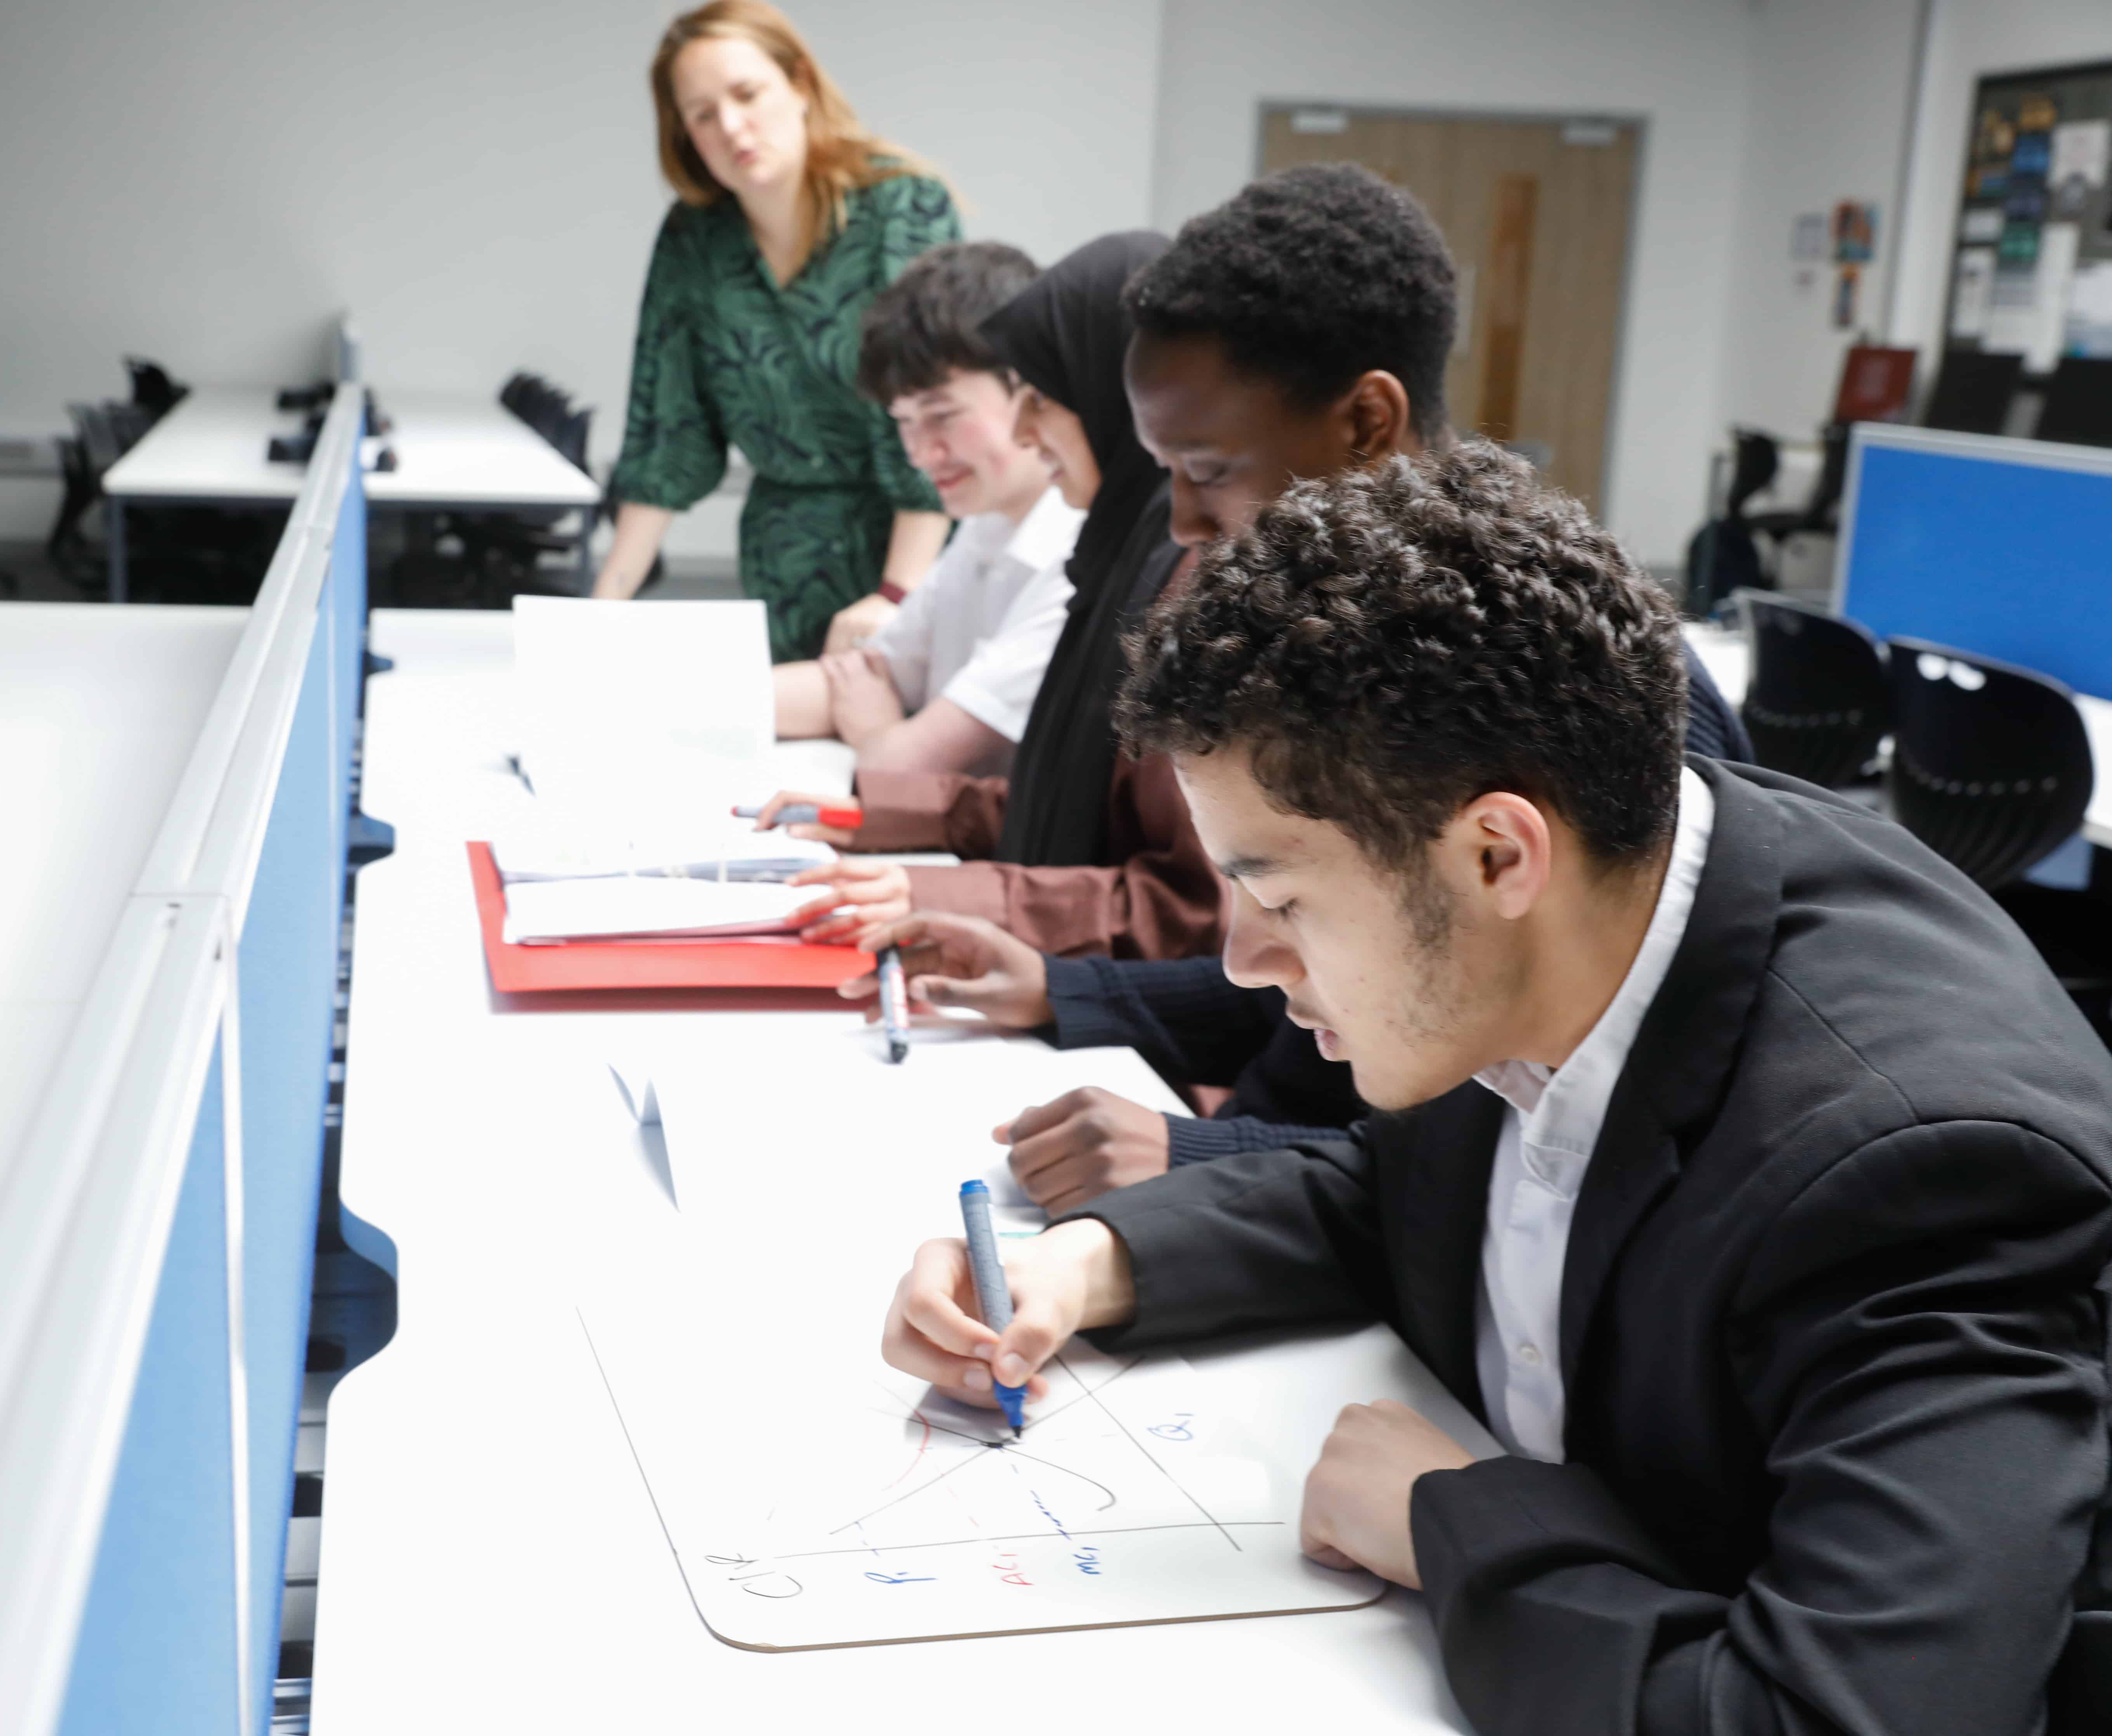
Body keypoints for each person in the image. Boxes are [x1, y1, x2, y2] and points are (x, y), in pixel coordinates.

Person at [879, 442, 2112, 1735]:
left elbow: (1848, 1716)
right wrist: (1083, 1266)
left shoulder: (1918, 1170)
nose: (1244, 960)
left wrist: (1455, 1520)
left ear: (1495, 851)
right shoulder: (1569, 919)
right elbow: (1407, 1195)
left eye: (1280, 895)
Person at [843, 164, 1755, 1211]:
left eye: (1208, 467)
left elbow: (1523, 1143)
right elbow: (1326, 990)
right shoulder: (1342, 634)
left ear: (1368, 421)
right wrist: (1063, 990)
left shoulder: (1567, 690)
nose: (1181, 523)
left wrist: (1206, 1162)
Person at [767, 231, 1229, 964]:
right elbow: (1055, 803)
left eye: (1041, 399)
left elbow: (1197, 910)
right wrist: (874, 815)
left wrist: (929, 887)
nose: (1022, 431)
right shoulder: (1112, 557)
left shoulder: (1182, 589)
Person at [593, 0, 959, 663]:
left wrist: (897, 597)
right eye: (702, 114)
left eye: (747, 93)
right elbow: (664, 437)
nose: (732, 126)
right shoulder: (693, 240)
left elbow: (940, 420)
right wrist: (598, 617)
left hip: (916, 562)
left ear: (799, 83)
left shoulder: (903, 206)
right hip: (783, 561)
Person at [772, 240, 1079, 777]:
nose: (920, 454)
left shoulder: (1075, 555)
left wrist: (878, 735)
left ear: (1032, 389)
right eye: (905, 422)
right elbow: (864, 679)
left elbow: (904, 767)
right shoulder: (987, 524)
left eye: (942, 416)